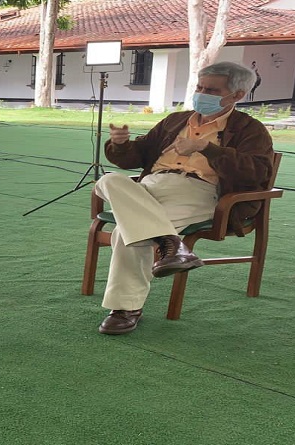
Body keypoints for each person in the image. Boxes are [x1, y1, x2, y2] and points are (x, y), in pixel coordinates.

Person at [95, 61, 274, 335]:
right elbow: (138, 156)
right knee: (107, 180)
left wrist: (206, 148)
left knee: (126, 232)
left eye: (211, 90)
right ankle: (172, 244)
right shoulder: (176, 121)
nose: (201, 94)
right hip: (150, 186)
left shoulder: (250, 129)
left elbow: (257, 172)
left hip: (198, 191)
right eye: (199, 87)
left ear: (237, 95)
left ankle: (125, 309)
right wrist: (120, 145)